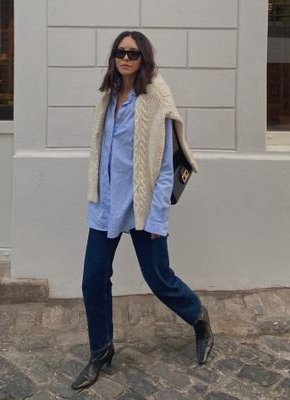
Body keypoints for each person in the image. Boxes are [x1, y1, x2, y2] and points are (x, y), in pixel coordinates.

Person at [71, 31, 214, 391]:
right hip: (105, 205)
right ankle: (101, 350)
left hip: (142, 205)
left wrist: (157, 217)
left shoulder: (155, 99)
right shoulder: (107, 96)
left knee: (159, 278)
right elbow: (101, 153)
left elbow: (165, 166)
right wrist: (96, 194)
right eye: (120, 52)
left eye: (133, 53)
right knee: (93, 279)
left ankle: (199, 318)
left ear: (144, 58)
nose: (125, 58)